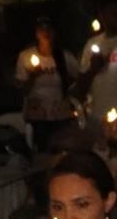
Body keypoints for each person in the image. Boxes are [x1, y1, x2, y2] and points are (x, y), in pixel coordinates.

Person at [15, 17, 79, 152]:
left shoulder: (64, 56)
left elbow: (77, 79)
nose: (46, 32)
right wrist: (32, 76)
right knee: (42, 150)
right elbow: (22, 90)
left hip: (60, 114)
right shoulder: (25, 56)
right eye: (42, 28)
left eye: (49, 28)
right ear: (36, 32)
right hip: (37, 115)